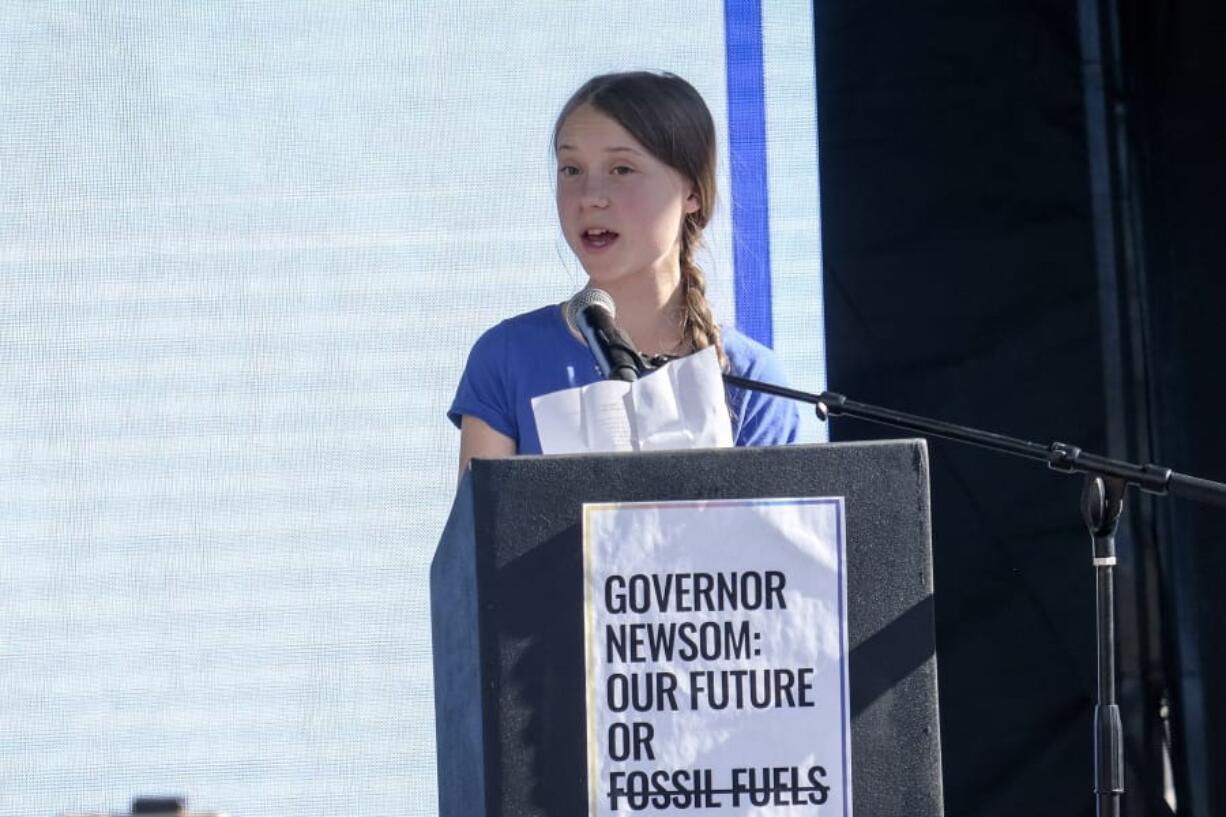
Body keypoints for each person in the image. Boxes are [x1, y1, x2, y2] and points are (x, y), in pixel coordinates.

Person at [449, 71, 801, 475]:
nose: (590, 198)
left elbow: (768, 536)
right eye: (571, 170)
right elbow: (483, 535)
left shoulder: (750, 377)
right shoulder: (508, 357)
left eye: (621, 169)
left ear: (693, 192)